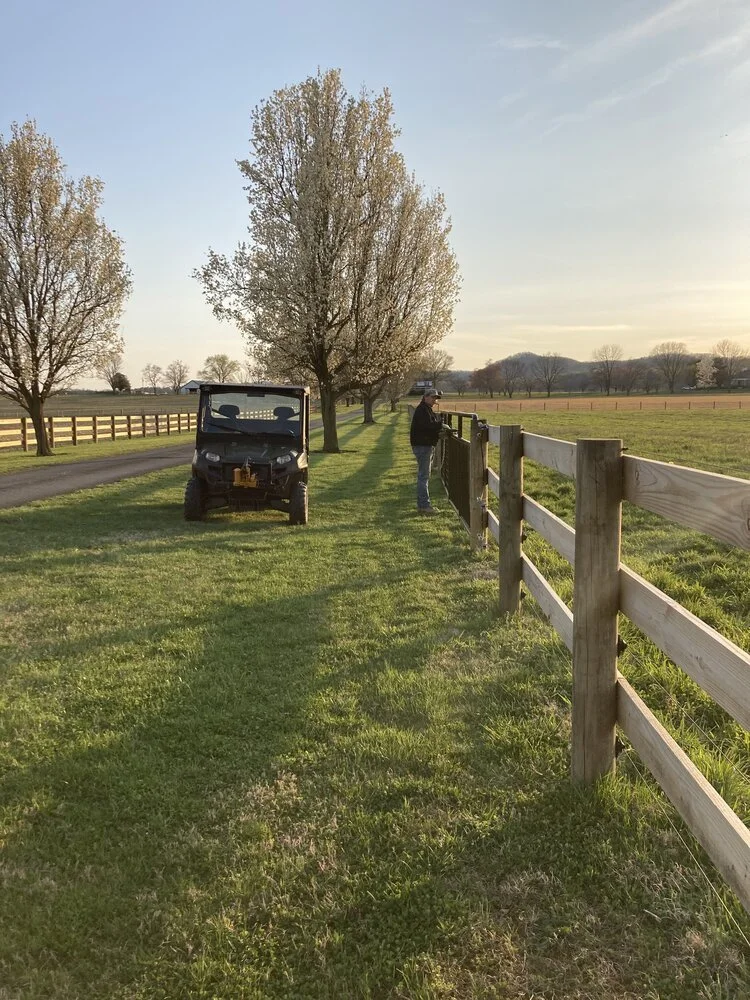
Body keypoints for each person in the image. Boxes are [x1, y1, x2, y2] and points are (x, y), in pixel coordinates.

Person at [409, 389, 448, 514]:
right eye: (432, 397)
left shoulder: (425, 409)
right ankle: (424, 506)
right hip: (423, 446)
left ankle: (423, 505)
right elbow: (427, 426)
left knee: (423, 476)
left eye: (436, 398)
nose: (434, 400)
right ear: (425, 397)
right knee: (423, 477)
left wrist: (438, 429)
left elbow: (428, 426)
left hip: (423, 445)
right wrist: (440, 426)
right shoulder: (422, 410)